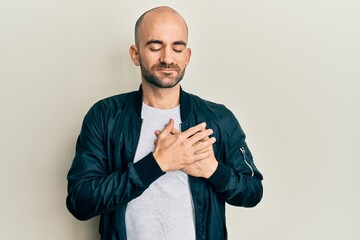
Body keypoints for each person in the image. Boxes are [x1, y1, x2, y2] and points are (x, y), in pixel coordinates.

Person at [66, 6, 263, 240]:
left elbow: (253, 192)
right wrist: (156, 164)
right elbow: (80, 200)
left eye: (177, 48)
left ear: (187, 56)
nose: (167, 58)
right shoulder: (104, 116)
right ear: (135, 53)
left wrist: (213, 170)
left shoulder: (218, 118)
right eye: (155, 47)